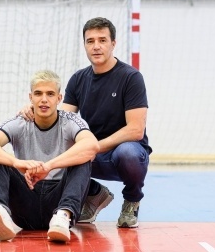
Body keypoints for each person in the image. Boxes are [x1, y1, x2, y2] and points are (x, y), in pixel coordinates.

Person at [21, 17, 152, 228]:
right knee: (51, 149)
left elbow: (135, 130)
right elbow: (60, 122)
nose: (96, 46)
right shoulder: (79, 79)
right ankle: (93, 193)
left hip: (123, 154)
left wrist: (92, 147)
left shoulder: (131, 77)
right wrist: (36, 110)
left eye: (102, 40)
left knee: (128, 153)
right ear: (85, 45)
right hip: (91, 155)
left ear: (113, 44)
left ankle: (131, 200)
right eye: (90, 41)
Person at [0, 70, 99, 243]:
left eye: (50, 94)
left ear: (59, 98)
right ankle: (0, 212)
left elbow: (92, 145)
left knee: (84, 157)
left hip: (58, 199)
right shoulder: (19, 122)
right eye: (38, 93)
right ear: (30, 97)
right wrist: (16, 162)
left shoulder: (71, 120)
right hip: (25, 202)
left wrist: (48, 166)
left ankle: (63, 215)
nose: (43, 99)